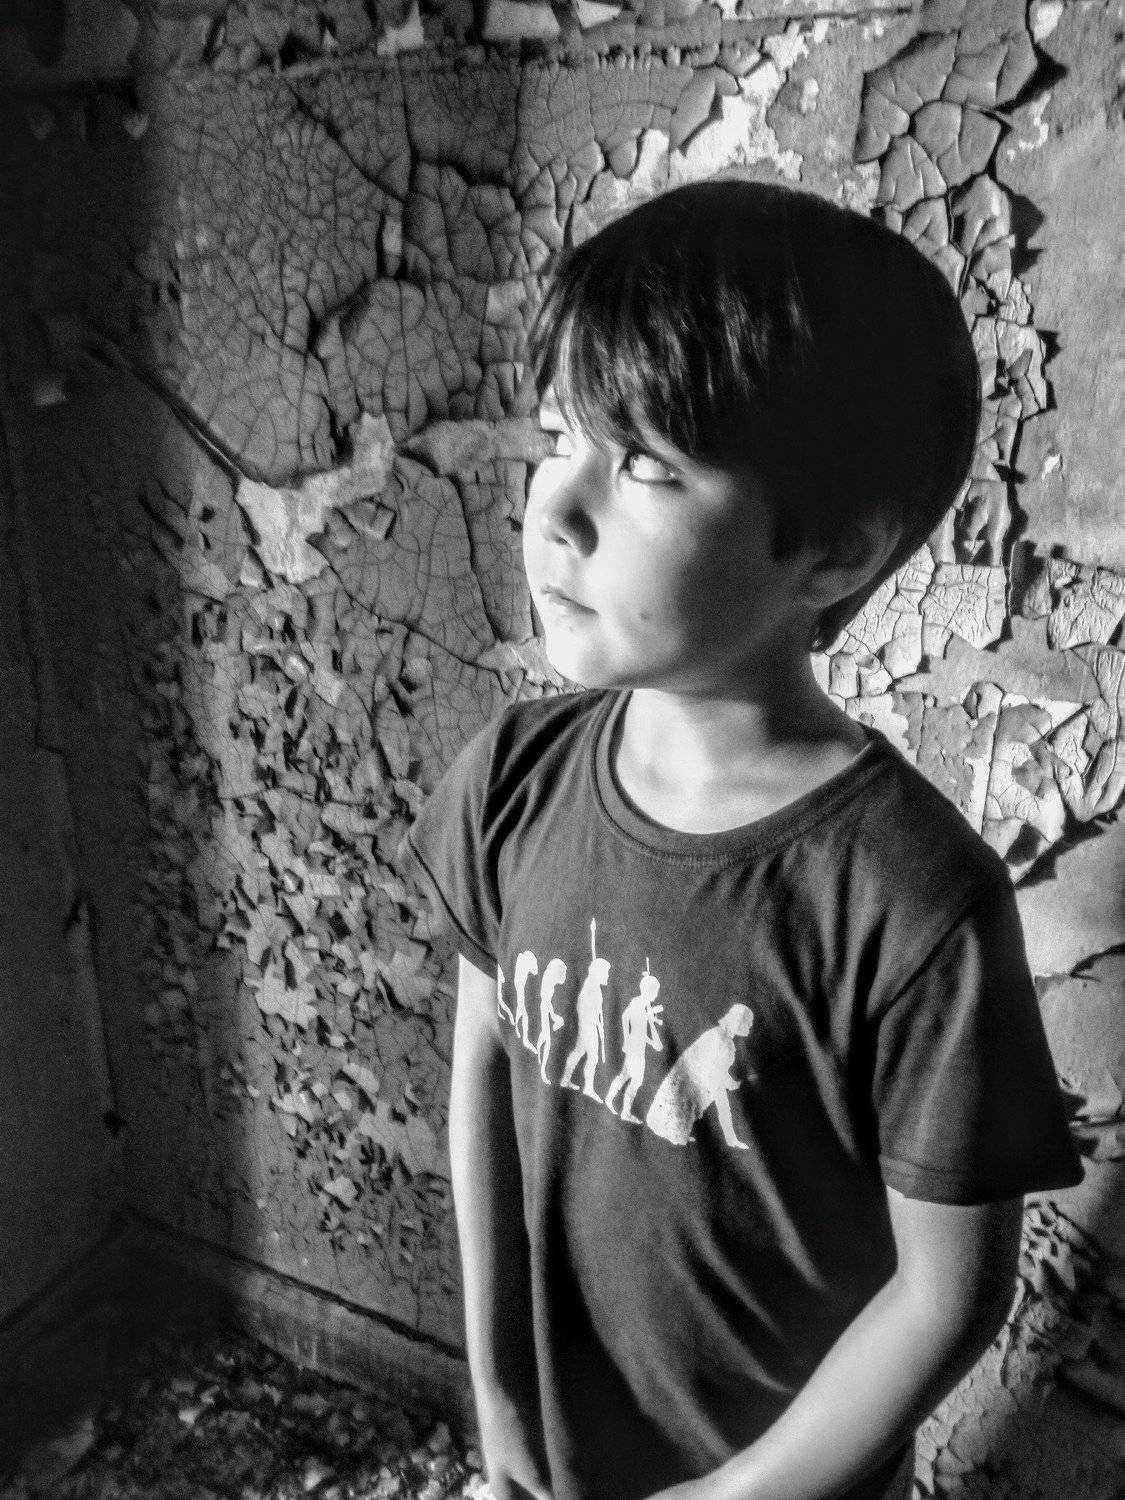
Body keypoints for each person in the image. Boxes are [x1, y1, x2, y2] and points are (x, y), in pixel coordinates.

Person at [402, 181, 1081, 1500]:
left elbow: (946, 1294)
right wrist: (495, 1392)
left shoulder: (909, 900)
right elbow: (480, 1070)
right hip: (558, 1459)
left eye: (647, 467)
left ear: (832, 552)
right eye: (559, 438)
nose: (556, 510)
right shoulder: (513, 779)